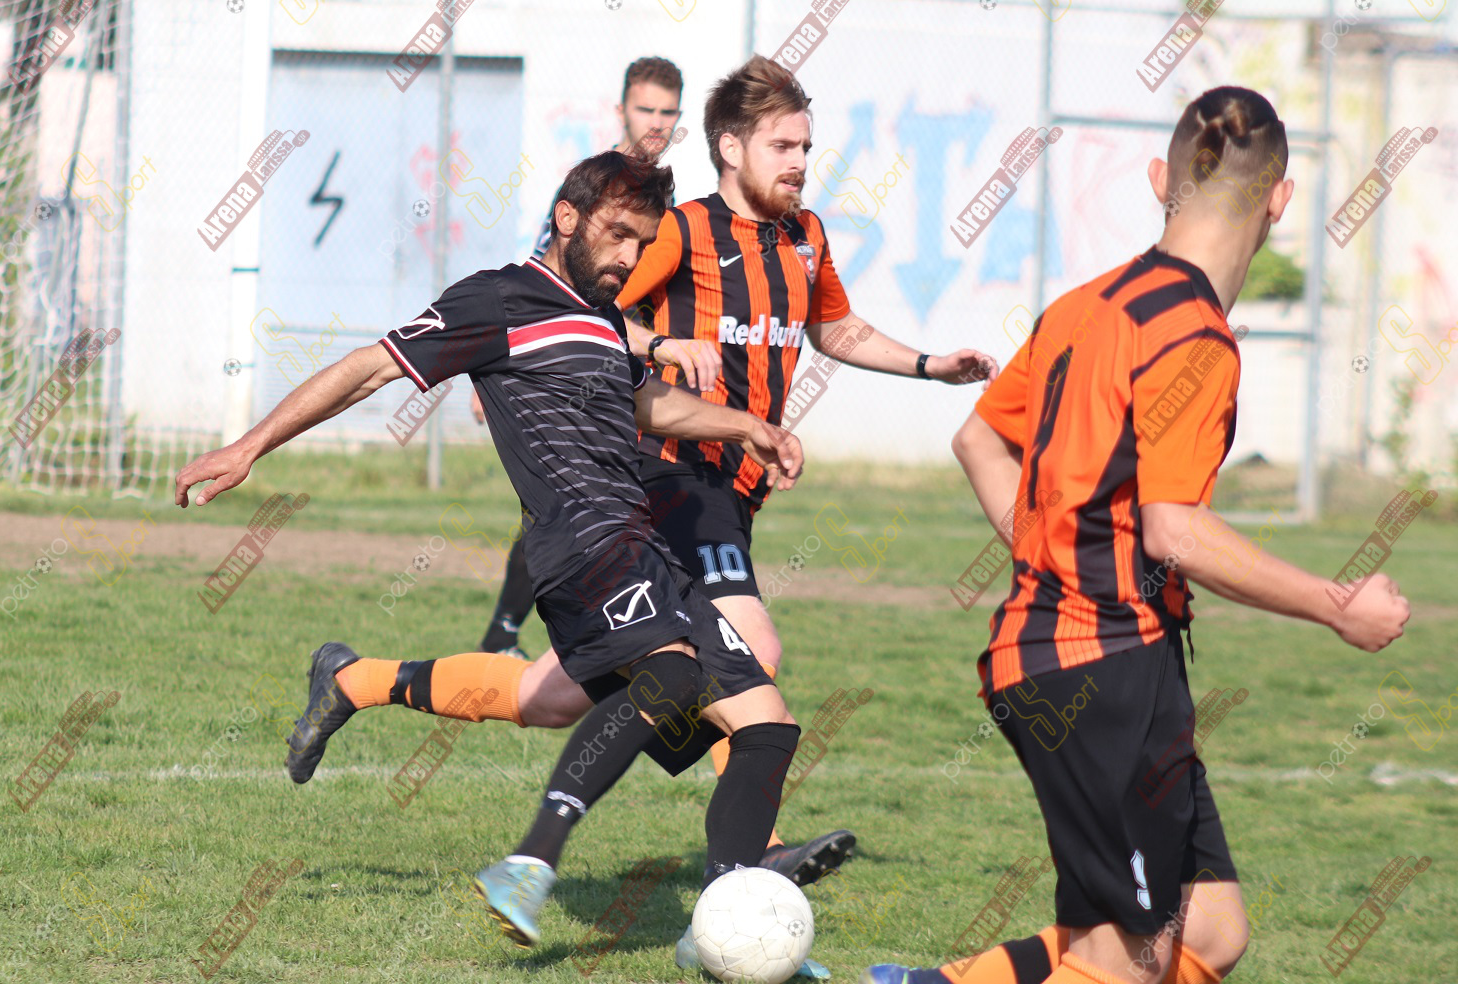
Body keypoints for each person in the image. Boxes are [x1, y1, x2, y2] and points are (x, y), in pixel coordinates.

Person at [178, 150, 807, 970]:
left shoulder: (603, 316)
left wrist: (746, 426)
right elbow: (369, 369)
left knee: (767, 728)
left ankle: (722, 926)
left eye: (642, 241)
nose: (628, 257)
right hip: (582, 547)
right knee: (674, 678)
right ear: (568, 217)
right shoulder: (497, 299)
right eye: (617, 234)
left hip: (645, 546)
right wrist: (250, 446)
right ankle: (530, 862)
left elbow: (642, 401)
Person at [866, 86, 1411, 984]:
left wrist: (1049, 552)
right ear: (1280, 200)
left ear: (1161, 178)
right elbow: (1175, 529)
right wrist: (1336, 605)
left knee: (1210, 934)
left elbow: (978, 440)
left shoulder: (1083, 305)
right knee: (1126, 960)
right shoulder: (1195, 337)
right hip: (1103, 668)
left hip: (1076, 660)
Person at [475, 55, 687, 660]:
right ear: (621, 110)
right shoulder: (594, 191)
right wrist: (496, 366)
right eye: (645, 108)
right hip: (576, 369)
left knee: (619, 508)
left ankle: (598, 636)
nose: (657, 122)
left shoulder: (665, 198)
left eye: (668, 112)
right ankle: (510, 633)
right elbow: (547, 293)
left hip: (628, 372)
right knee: (565, 507)